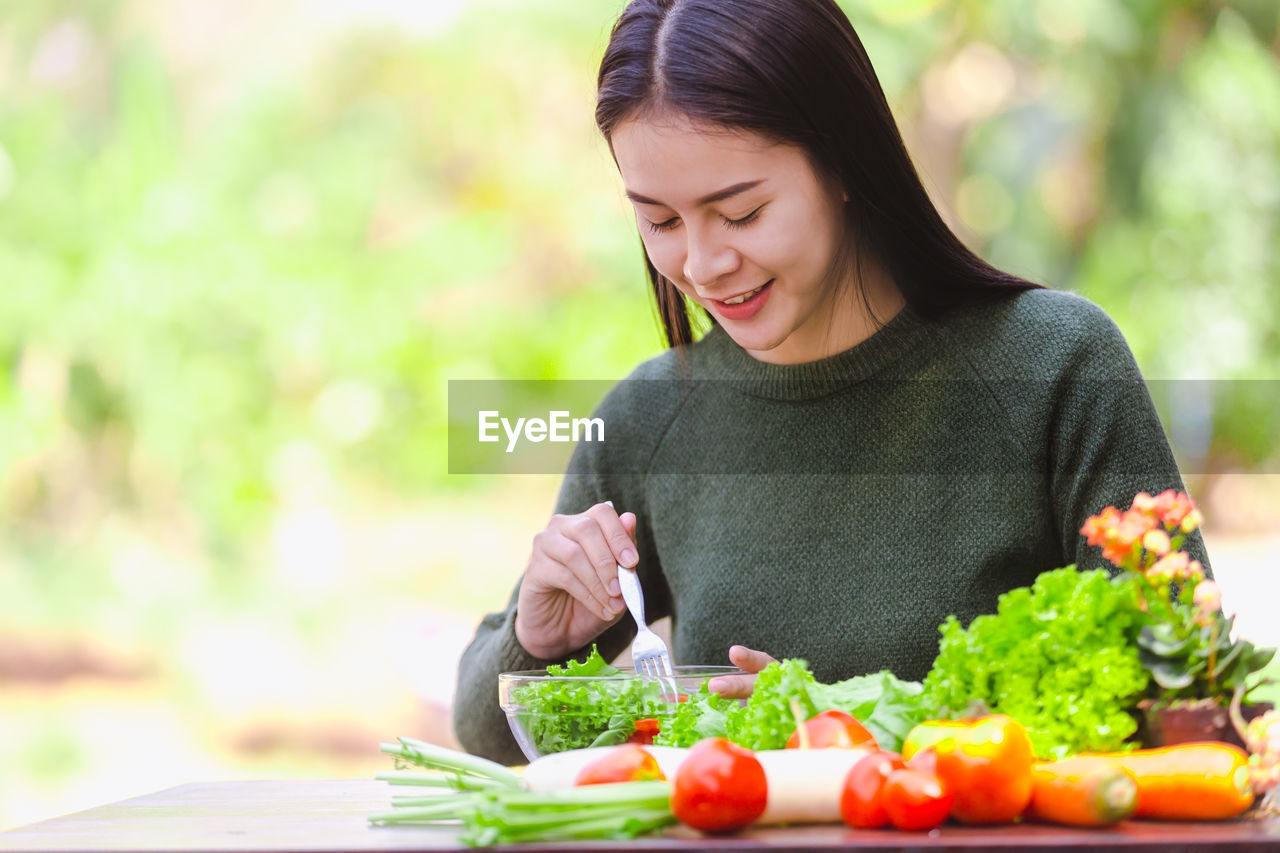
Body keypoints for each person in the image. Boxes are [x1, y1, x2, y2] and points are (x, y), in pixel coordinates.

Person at [452, 0, 1209, 765]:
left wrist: (862, 721)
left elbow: (1186, 696)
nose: (702, 265)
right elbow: (486, 737)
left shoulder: (1054, 365)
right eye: (661, 222)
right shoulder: (652, 420)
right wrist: (536, 638)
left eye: (741, 214)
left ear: (844, 164)